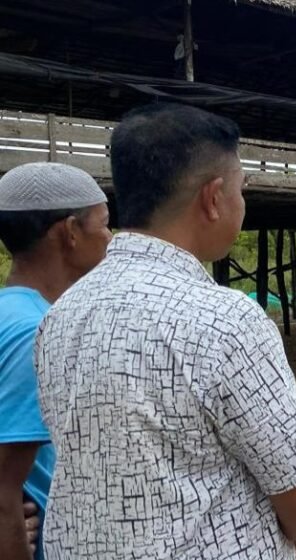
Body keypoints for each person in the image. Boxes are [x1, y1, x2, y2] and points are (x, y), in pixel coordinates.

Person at [34, 103, 296, 560]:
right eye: (241, 189)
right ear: (213, 198)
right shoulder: (225, 320)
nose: (242, 203)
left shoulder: (59, 317)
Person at [0, 163, 111, 560]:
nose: (110, 238)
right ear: (70, 233)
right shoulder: (37, 332)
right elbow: (3, 487)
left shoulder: (8, 312)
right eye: (104, 224)